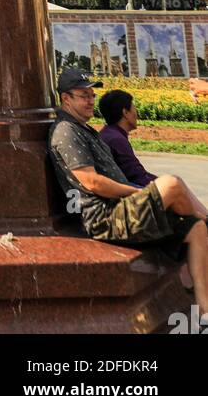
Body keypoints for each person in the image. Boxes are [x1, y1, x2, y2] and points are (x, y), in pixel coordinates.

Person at [49, 66, 208, 319]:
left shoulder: (83, 128)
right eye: (84, 95)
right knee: (172, 185)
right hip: (104, 217)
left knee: (196, 228)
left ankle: (204, 311)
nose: (91, 100)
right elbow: (90, 182)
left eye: (92, 95)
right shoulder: (66, 131)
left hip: (119, 210)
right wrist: (136, 191)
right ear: (66, 98)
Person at [97, 89, 157, 188]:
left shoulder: (107, 133)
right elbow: (137, 175)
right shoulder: (116, 139)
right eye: (134, 108)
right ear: (125, 113)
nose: (136, 113)